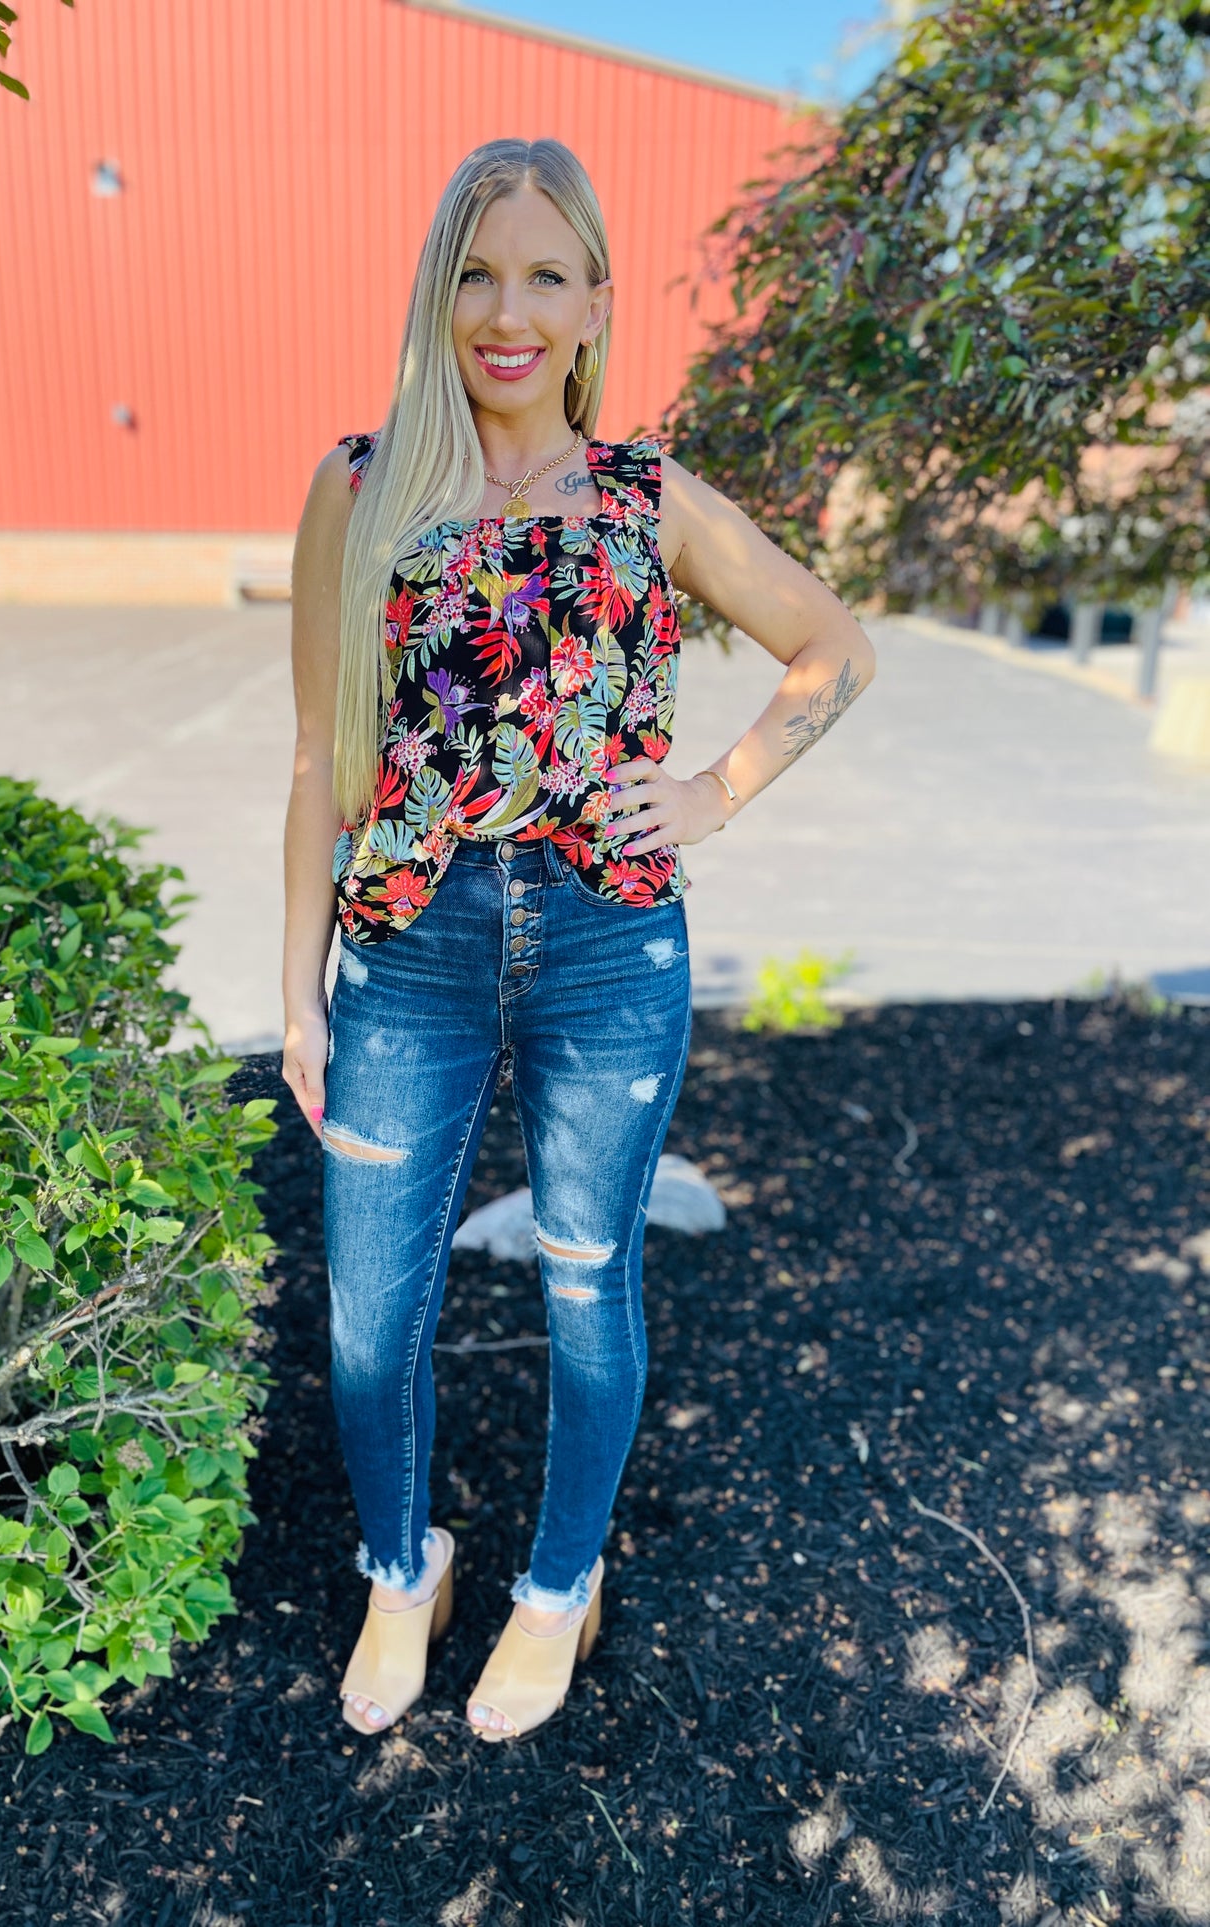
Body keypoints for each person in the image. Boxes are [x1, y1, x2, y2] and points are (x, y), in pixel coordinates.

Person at [281, 136, 876, 1744]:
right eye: (476, 274)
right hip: (405, 949)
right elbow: (321, 757)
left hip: (608, 949)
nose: (508, 312)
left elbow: (831, 648)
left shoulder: (644, 497)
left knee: (584, 1285)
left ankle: (558, 1586)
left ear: (596, 302)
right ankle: (402, 1571)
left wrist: (713, 793)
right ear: (437, 293)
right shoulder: (361, 486)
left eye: (545, 275)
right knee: (366, 1319)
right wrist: (297, 992)